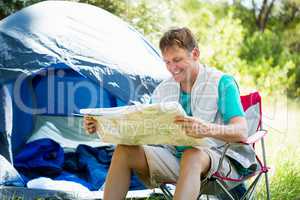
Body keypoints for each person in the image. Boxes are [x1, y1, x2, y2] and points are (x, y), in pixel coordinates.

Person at [84, 27, 257, 200]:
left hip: (219, 159)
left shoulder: (222, 82)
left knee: (192, 155)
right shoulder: (163, 90)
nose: (172, 68)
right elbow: (142, 127)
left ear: (195, 53)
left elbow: (241, 131)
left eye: (177, 60)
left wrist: (207, 129)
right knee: (124, 151)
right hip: (175, 159)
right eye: (167, 62)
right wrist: (102, 125)